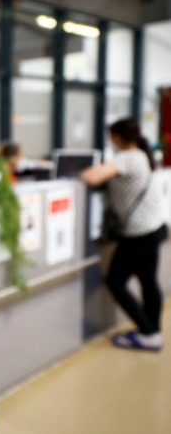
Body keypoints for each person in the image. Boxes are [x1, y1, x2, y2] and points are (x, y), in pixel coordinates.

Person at [82, 118, 168, 352]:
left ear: (118, 137)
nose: (111, 140)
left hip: (138, 234)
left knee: (115, 282)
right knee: (148, 281)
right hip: (154, 229)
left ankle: (148, 333)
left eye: (112, 136)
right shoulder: (141, 154)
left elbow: (91, 178)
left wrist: (84, 169)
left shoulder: (126, 157)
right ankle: (153, 330)